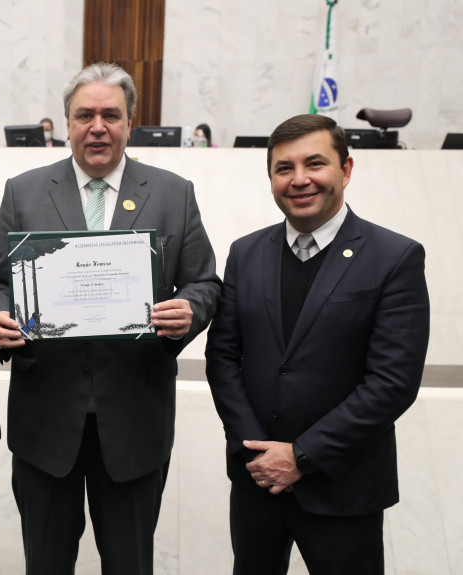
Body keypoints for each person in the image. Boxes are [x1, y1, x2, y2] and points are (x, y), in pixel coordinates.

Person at [0, 63, 221, 574]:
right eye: (84, 114)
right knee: (45, 564)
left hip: (135, 421)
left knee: (130, 564)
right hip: (46, 421)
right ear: (66, 123)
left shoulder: (173, 193)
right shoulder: (23, 192)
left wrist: (190, 310)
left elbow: (204, 283)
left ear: (130, 123)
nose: (98, 126)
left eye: (111, 114)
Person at [205, 113, 430, 575]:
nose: (300, 179)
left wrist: (301, 457)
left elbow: (392, 382)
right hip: (257, 485)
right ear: (270, 179)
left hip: (343, 488)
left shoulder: (395, 257)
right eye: (284, 168)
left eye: (315, 164)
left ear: (345, 170)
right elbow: (223, 357)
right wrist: (259, 454)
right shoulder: (245, 253)